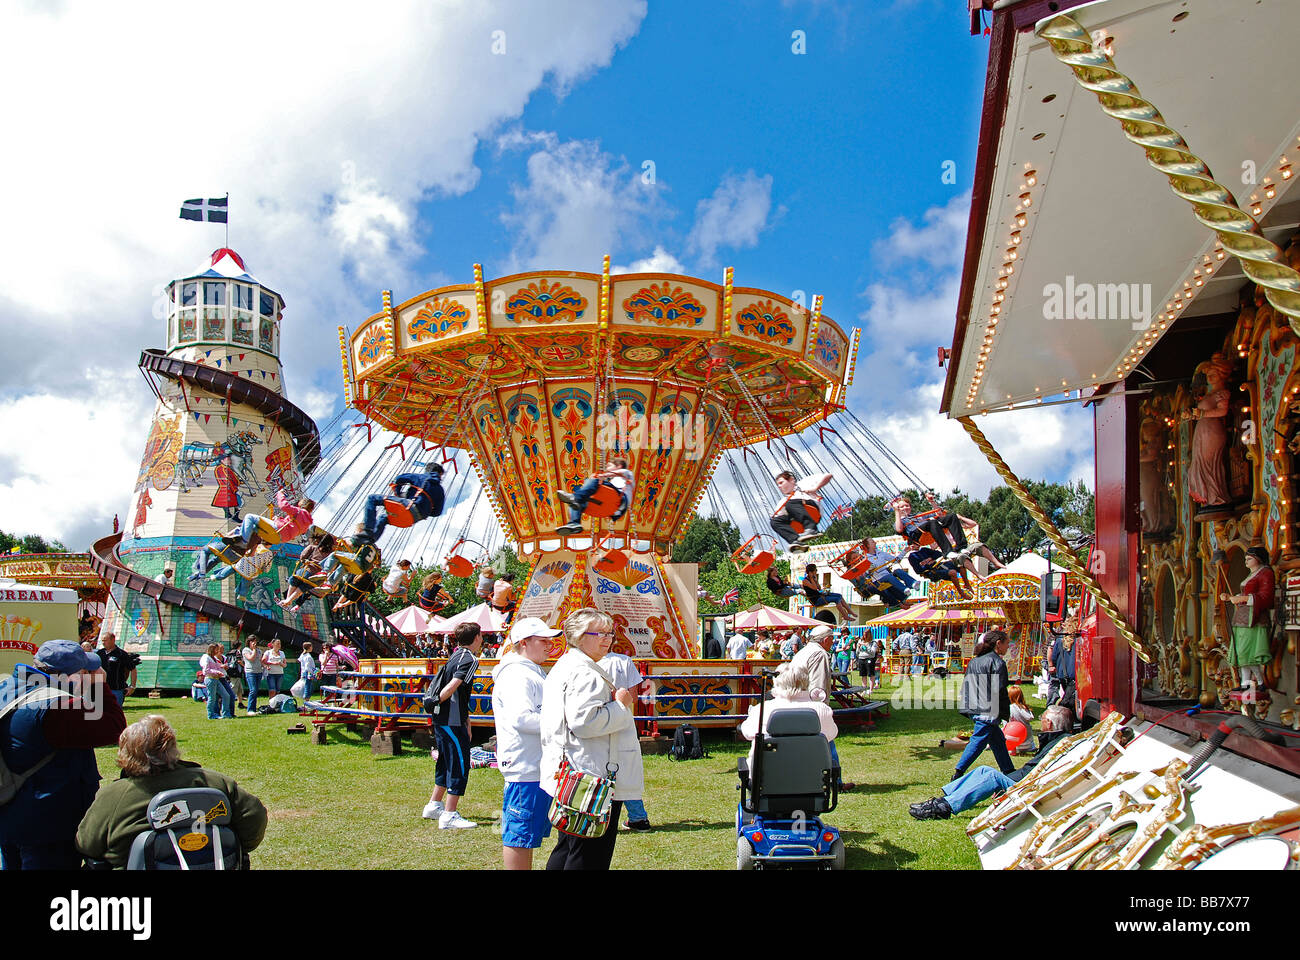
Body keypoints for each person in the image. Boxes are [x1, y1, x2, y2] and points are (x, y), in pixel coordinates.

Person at [76, 715, 267, 868]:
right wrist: (236, 847)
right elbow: (255, 817)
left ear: (126, 754)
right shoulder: (216, 783)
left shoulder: (114, 795)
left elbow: (87, 844)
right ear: (172, 747)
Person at [0, 639, 127, 869]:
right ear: (67, 676)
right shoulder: (58, 706)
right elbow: (114, 727)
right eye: (84, 671)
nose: (90, 673)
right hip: (47, 824)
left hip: (9, 810)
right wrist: (98, 685)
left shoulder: (9, 687)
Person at [539, 608, 640, 871]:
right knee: (589, 853)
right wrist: (620, 705)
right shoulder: (586, 673)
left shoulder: (567, 666)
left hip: (574, 772)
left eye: (610, 633)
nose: (607, 639)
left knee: (569, 846)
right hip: (593, 776)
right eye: (599, 634)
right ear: (579, 637)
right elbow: (584, 723)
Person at [908, 704, 1074, 819]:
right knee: (983, 770)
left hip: (1028, 788)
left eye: (1042, 718)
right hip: (1027, 781)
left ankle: (944, 808)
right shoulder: (1058, 740)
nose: (1041, 721)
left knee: (992, 777)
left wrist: (1008, 783)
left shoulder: (1059, 743)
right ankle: (942, 801)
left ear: (1049, 723)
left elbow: (1032, 774)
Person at [490, 617, 561, 868]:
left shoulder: (527, 670)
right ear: (523, 643)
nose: (549, 646)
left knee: (526, 833)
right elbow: (522, 719)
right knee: (519, 835)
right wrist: (563, 723)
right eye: (543, 641)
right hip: (525, 765)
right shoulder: (517, 675)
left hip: (535, 763)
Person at [423, 623, 483, 830]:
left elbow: (459, 693)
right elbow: (454, 686)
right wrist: (438, 701)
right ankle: (449, 814)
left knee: (445, 762)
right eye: (481, 636)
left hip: (443, 719)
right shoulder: (470, 659)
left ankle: (434, 805)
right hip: (451, 719)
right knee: (458, 762)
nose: (482, 640)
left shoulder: (455, 655)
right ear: (476, 638)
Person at [740, 659, 838, 776]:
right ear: (806, 681)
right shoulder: (822, 710)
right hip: (813, 781)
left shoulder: (761, 710)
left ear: (776, 682)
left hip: (767, 781)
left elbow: (747, 732)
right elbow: (831, 734)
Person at [600, 648, 653, 832]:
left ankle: (599, 814)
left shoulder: (582, 662)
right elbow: (633, 696)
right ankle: (638, 817)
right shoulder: (624, 661)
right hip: (622, 717)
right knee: (626, 768)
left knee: (601, 767)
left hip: (598, 720)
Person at [953, 628, 1015, 781]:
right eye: (1007, 644)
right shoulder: (997, 662)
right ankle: (958, 772)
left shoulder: (975, 660)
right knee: (978, 740)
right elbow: (999, 689)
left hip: (974, 705)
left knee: (998, 741)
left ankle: (1009, 771)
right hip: (987, 708)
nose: (1008, 647)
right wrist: (1003, 710)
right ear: (998, 644)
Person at [1220, 545, 1275, 692]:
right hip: (1242, 617)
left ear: (1258, 559)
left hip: (1254, 619)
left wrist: (1242, 599)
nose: (1246, 561)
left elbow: (1266, 598)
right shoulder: (1251, 574)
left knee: (1247, 652)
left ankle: (1260, 680)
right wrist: (1231, 597)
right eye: (1245, 559)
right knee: (1241, 653)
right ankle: (1246, 683)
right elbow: (1245, 595)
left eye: (1249, 559)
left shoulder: (1265, 573)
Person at [363, 462, 446, 541]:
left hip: (409, 506)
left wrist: (398, 494)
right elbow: (437, 513)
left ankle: (367, 531)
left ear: (428, 470)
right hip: (415, 518)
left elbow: (399, 479)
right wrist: (425, 508)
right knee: (384, 517)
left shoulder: (420, 477)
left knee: (372, 498)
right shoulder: (440, 490)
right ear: (439, 474)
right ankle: (371, 539)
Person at [220, 489, 315, 553]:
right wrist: (279, 520)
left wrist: (280, 493)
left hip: (278, 530)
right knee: (253, 528)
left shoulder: (299, 511)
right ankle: (244, 547)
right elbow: (292, 527)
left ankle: (243, 542)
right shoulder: (307, 523)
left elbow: (283, 506)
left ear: (303, 504)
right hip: (280, 539)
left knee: (250, 517)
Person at [556, 456, 635, 534]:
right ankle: (574, 523)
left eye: (609, 466)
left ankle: (575, 497)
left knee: (594, 481)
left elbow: (620, 473)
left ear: (619, 466)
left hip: (621, 499)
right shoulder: (614, 481)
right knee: (575, 504)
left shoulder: (627, 473)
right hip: (609, 510)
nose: (607, 468)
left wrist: (602, 476)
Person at [769, 470, 831, 550]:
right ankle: (796, 541)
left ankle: (811, 528)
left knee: (790, 504)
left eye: (781, 483)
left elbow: (828, 476)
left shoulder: (802, 484)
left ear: (791, 480)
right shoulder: (783, 501)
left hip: (810, 508)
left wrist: (814, 488)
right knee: (774, 522)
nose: (779, 486)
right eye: (778, 485)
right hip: (797, 521)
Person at [96, 632, 139, 707]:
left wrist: (132, 686)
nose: (103, 643)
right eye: (102, 640)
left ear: (113, 640)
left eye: (105, 640)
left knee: (115, 712)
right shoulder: (99, 653)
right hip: (101, 689)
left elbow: (133, 669)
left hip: (116, 690)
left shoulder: (121, 654)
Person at [199, 643, 235, 720]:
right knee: (212, 697)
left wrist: (221, 667)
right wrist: (216, 672)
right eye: (216, 649)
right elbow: (206, 670)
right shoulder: (206, 657)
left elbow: (216, 666)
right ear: (212, 649)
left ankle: (226, 714)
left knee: (226, 695)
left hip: (216, 679)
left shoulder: (213, 658)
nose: (217, 651)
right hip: (210, 679)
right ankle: (211, 715)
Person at [1047, 626, 1078, 710]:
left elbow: (1054, 657)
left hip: (1063, 673)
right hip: (1075, 674)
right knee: (1072, 699)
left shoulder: (1060, 640)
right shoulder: (1079, 640)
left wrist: (1052, 665)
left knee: (1067, 696)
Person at [1006, 685, 1036, 754]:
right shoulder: (1025, 708)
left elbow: (1006, 729)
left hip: (1015, 744)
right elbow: (1030, 717)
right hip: (1029, 744)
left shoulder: (1009, 709)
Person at [242, 636, 263, 715]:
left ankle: (254, 709)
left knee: (256, 690)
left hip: (259, 672)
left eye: (255, 641)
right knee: (253, 690)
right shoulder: (246, 650)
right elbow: (251, 658)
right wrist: (254, 649)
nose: (254, 643)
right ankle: (250, 709)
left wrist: (265, 665)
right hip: (250, 672)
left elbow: (260, 660)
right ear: (249, 642)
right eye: (252, 641)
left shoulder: (259, 650)